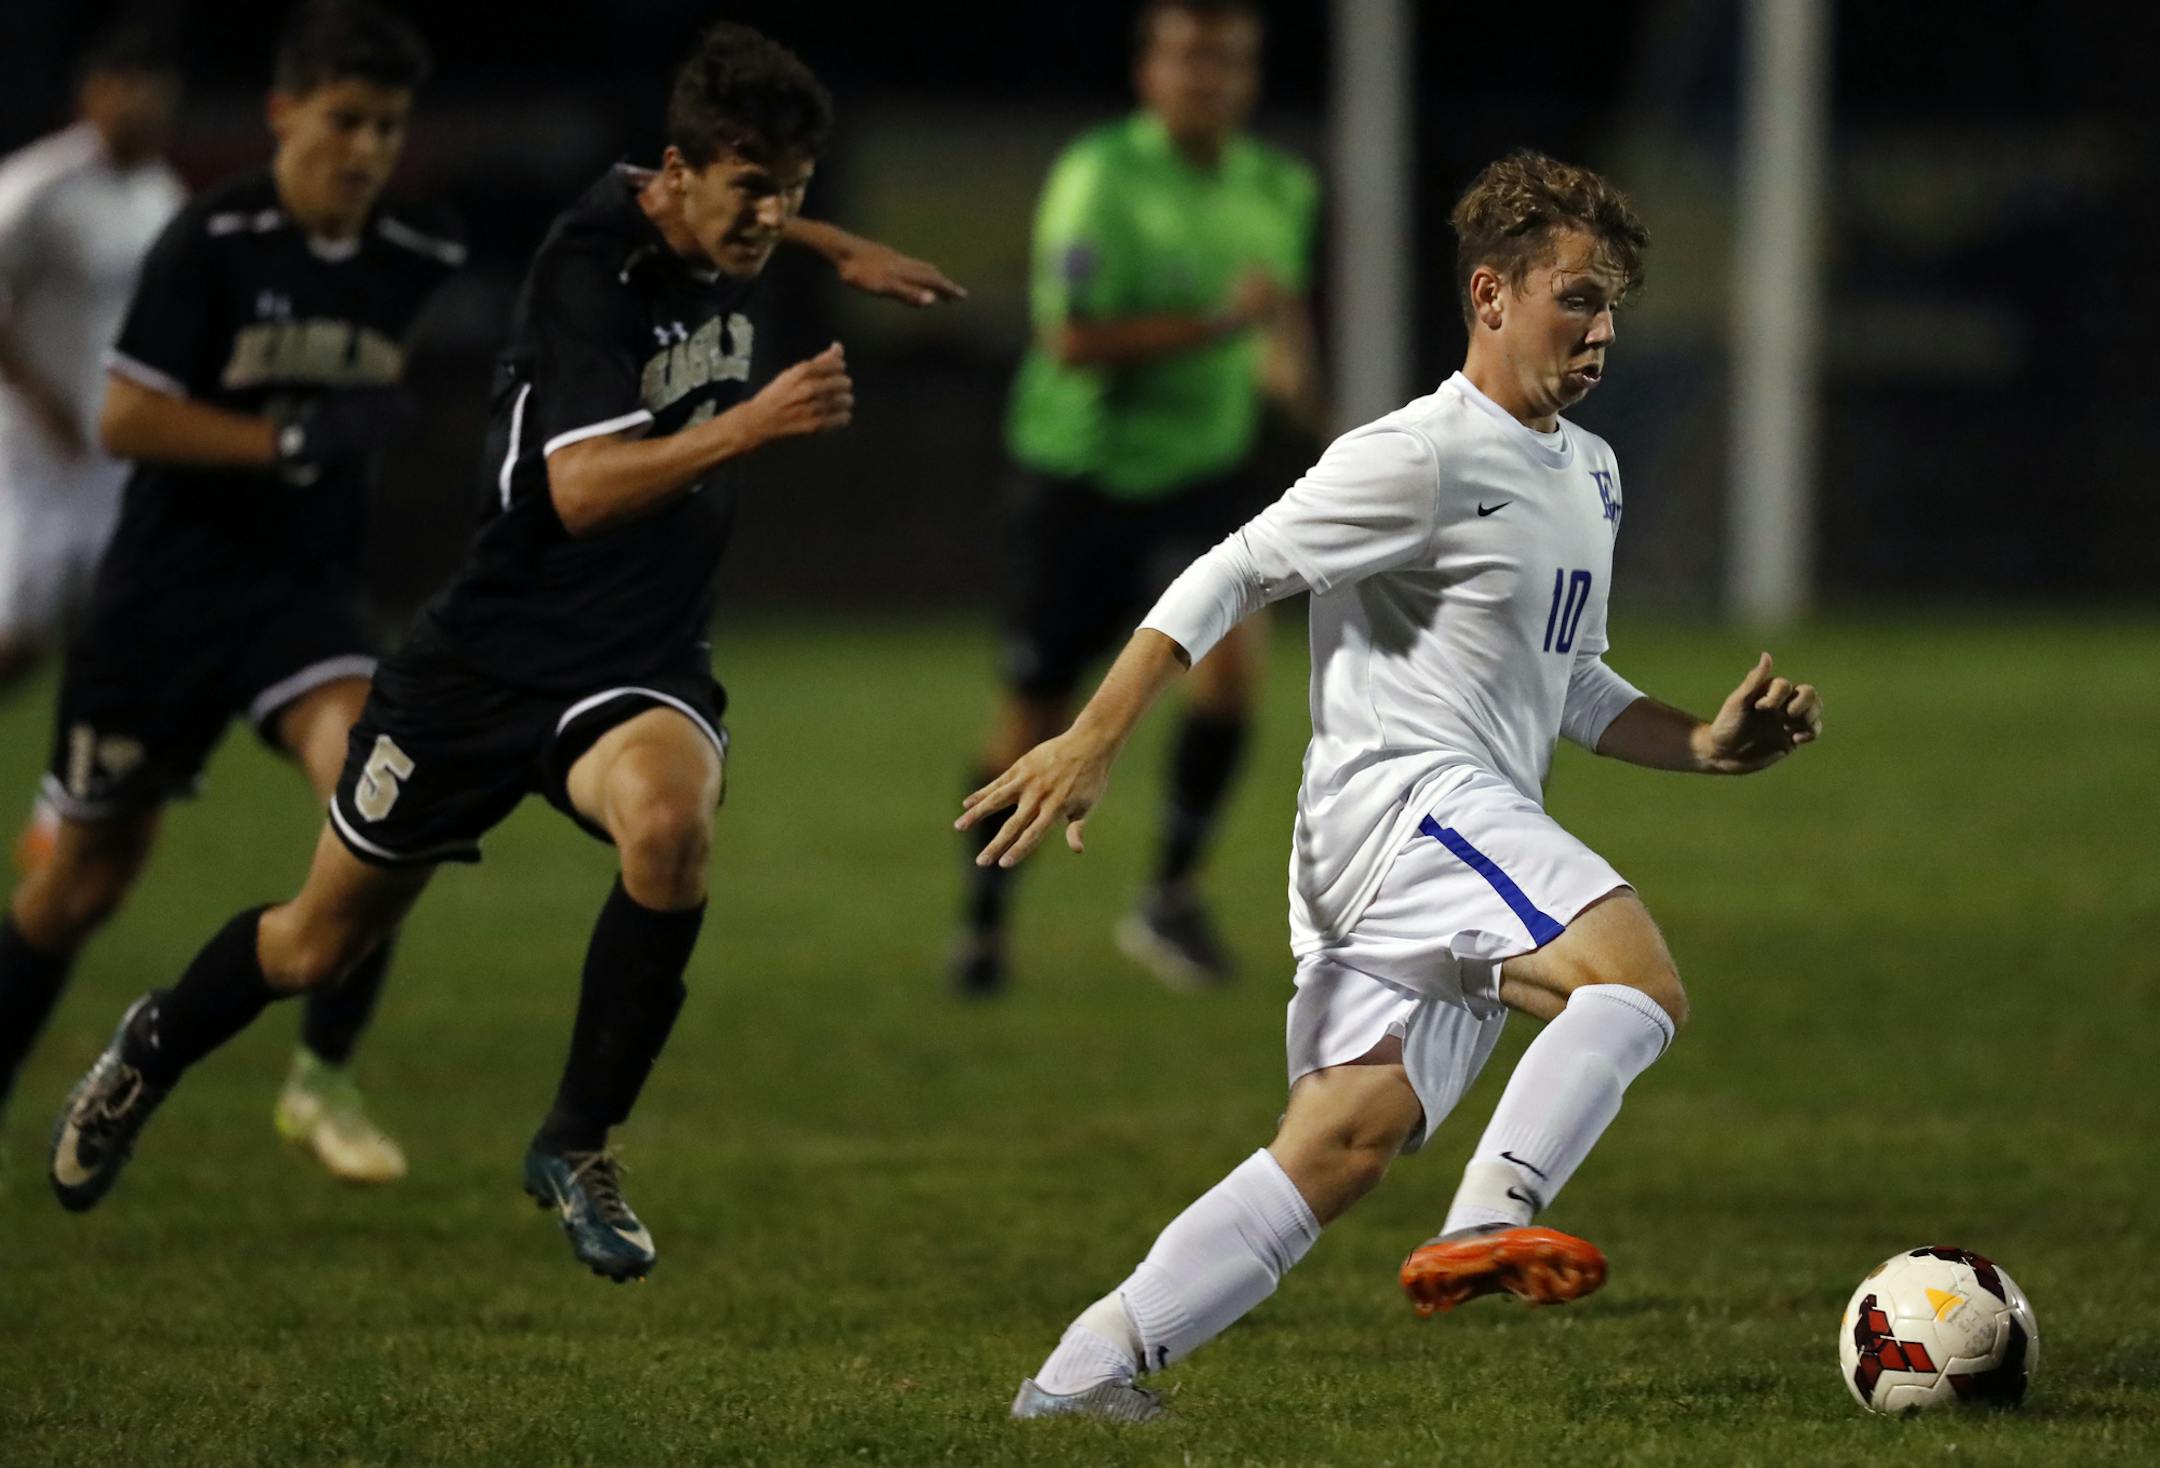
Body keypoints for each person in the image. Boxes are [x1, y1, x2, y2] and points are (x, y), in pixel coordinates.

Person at [47, 20, 963, 1282]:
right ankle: (152, 1041)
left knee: (671, 825)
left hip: (637, 653)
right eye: (754, 192)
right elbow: (579, 488)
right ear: (678, 171)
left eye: (792, 194)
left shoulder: (715, 211)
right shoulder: (592, 270)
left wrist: (835, 239)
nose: (768, 220)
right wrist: (749, 425)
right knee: (317, 942)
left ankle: (577, 1142)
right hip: (484, 659)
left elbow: (746, 216)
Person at [963, 151, 1824, 1421]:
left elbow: (1572, 681)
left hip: (1435, 832)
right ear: (1490, 295)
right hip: (1407, 808)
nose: (1599, 331)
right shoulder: (1416, 456)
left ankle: (1085, 1376)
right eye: (1574, 299)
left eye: (1613, 307)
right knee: (1634, 982)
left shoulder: (1591, 470)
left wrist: (1702, 742)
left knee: (1339, 1146)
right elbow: (1233, 570)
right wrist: (1097, 734)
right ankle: (1491, 1215)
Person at [0, 0, 459, 1185]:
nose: (365, 148)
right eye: (344, 120)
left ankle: (322, 1078)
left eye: (387, 125)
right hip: (160, 597)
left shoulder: (414, 257)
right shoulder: (208, 238)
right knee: (80, 884)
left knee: (384, 799)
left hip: (299, 598)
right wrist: (289, 440)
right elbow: (127, 414)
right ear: (282, 114)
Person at [952, 0, 1324, 996]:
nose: (1209, 78)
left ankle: (1167, 895)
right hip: (1081, 476)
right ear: (1149, 71)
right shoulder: (1098, 179)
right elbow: (1069, 342)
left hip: (1204, 479)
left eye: (1229, 61)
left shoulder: (1280, 185)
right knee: (1034, 708)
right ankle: (982, 924)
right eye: (1189, 58)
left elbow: (1278, 308)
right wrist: (1216, 326)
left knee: (1236, 668)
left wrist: (1292, 367)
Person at [0, 24, 183, 692]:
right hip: (33, 451)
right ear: (93, 94)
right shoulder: (36, 187)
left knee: (125, 628)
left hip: (116, 446)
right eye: (129, 90)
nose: (144, 106)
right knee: (17, 640)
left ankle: (95, 781)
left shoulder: (160, 192)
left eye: (156, 93)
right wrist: (35, 397)